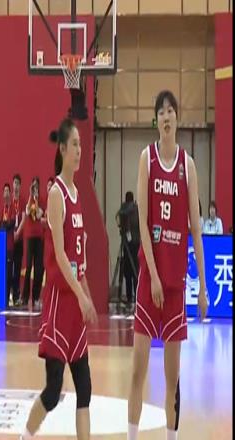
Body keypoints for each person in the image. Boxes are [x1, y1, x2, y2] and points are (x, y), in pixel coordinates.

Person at [128, 90, 208, 440]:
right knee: (137, 372)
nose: (166, 116)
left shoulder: (187, 166)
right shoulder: (146, 159)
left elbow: (196, 229)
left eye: (170, 111)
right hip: (151, 282)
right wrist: (154, 276)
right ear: (155, 120)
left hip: (175, 285)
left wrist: (203, 287)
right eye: (160, 111)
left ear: (177, 118)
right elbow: (143, 223)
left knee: (172, 379)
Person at [21, 117, 97, 440]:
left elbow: (80, 261)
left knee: (85, 388)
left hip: (76, 305)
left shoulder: (77, 194)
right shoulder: (57, 193)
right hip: (58, 303)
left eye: (81, 144)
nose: (80, 150)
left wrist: (87, 297)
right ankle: (25, 436)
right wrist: (81, 296)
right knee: (53, 390)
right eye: (75, 145)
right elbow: (62, 256)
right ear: (63, 149)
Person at [23, 177, 45, 309]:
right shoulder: (29, 200)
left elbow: (38, 215)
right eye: (33, 186)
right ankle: (25, 297)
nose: (35, 189)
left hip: (39, 237)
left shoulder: (41, 200)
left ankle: (36, 297)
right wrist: (30, 196)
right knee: (28, 267)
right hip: (30, 237)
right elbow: (27, 212)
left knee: (38, 268)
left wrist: (36, 199)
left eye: (36, 186)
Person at [116, 191, 140, 310]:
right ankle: (137, 296)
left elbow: (119, 221)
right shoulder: (136, 209)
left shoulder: (123, 210)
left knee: (127, 272)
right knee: (136, 271)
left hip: (127, 245)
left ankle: (129, 297)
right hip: (136, 245)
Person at [0, 183, 15, 308]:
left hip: (9, 245)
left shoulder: (12, 208)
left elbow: (11, 224)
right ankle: (1, 297)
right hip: (1, 245)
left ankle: (8, 297)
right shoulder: (1, 207)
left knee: (9, 273)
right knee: (2, 272)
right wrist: (4, 224)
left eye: (8, 191)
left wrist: (5, 224)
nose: (6, 193)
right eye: (5, 191)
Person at [11, 173, 26, 307]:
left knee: (17, 268)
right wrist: (12, 233)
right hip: (10, 239)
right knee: (9, 268)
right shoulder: (9, 200)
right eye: (14, 183)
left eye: (18, 184)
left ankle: (16, 296)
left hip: (19, 238)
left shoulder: (22, 201)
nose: (16, 186)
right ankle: (9, 295)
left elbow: (23, 218)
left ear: (20, 186)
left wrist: (18, 233)